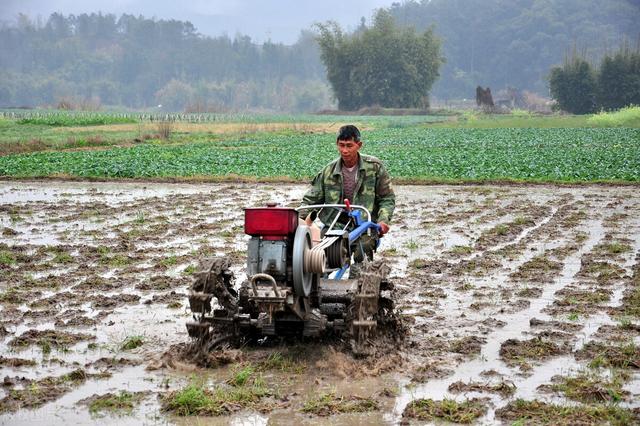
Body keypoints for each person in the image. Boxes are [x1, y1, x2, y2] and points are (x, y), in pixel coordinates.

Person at [301, 124, 395, 271]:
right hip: (335, 225)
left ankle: (358, 286)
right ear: (337, 144)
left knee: (361, 257)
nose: (345, 151)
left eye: (349, 146)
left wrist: (383, 221)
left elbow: (387, 198)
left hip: (364, 227)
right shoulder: (328, 172)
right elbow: (311, 201)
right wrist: (300, 221)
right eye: (341, 145)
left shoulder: (375, 168)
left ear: (359, 145)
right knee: (320, 257)